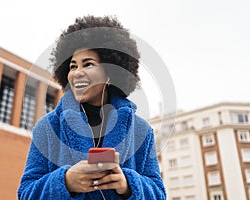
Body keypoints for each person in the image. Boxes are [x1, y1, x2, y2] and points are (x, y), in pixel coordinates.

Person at [18, 15, 166, 200]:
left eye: (88, 64)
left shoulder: (141, 130)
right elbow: (25, 193)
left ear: (110, 72)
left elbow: (159, 194)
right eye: (72, 66)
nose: (77, 73)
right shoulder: (47, 127)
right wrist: (66, 182)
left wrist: (127, 184)